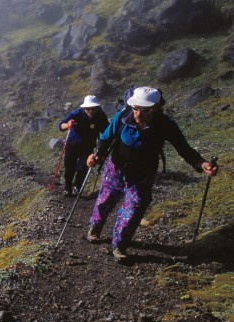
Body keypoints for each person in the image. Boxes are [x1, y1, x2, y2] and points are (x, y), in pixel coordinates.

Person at [85, 87, 219, 262]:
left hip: (143, 173)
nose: (138, 114)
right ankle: (95, 226)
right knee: (105, 199)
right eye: (135, 108)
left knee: (134, 208)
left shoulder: (165, 125)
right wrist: (97, 155)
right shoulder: (122, 117)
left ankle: (120, 244)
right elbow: (106, 138)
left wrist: (201, 164)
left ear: (156, 108)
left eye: (144, 110)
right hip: (116, 167)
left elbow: (183, 148)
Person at [58, 95, 109, 197]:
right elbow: (61, 126)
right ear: (84, 108)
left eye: (92, 108)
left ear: (96, 108)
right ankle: (68, 187)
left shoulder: (100, 116)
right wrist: (68, 125)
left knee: (83, 167)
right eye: (88, 109)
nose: (90, 111)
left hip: (88, 145)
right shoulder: (76, 113)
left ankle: (77, 185)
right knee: (69, 165)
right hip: (73, 143)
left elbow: (107, 131)